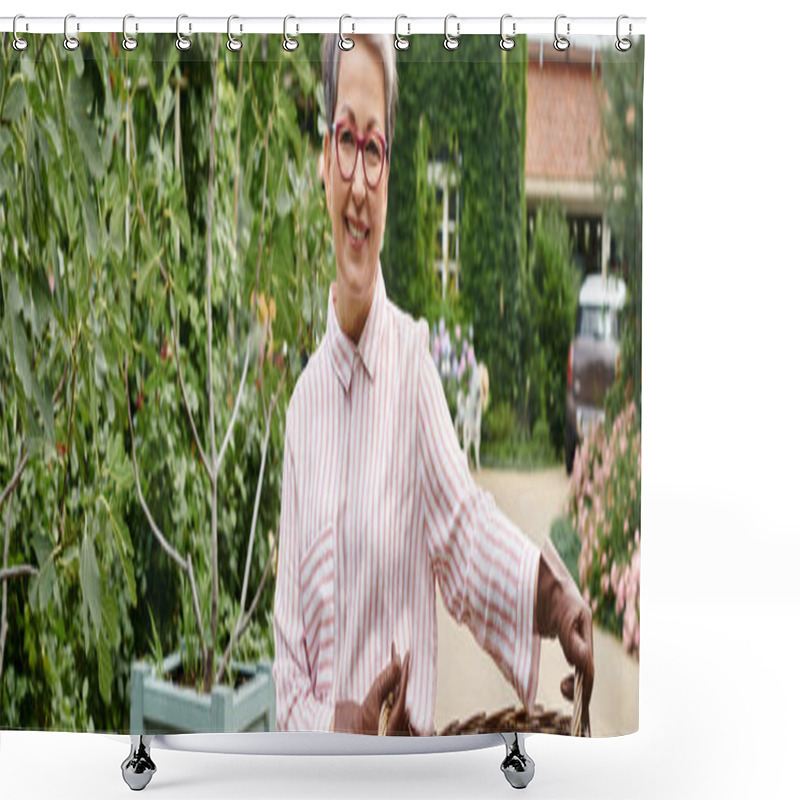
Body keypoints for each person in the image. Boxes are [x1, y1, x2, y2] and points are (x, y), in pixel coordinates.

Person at [273, 34, 594, 736]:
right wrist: (338, 727)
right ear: (324, 163)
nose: (360, 178)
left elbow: (466, 532)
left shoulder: (413, 365)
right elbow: (287, 670)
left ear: (387, 175)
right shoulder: (302, 412)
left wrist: (554, 602)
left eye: (377, 149)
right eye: (346, 140)